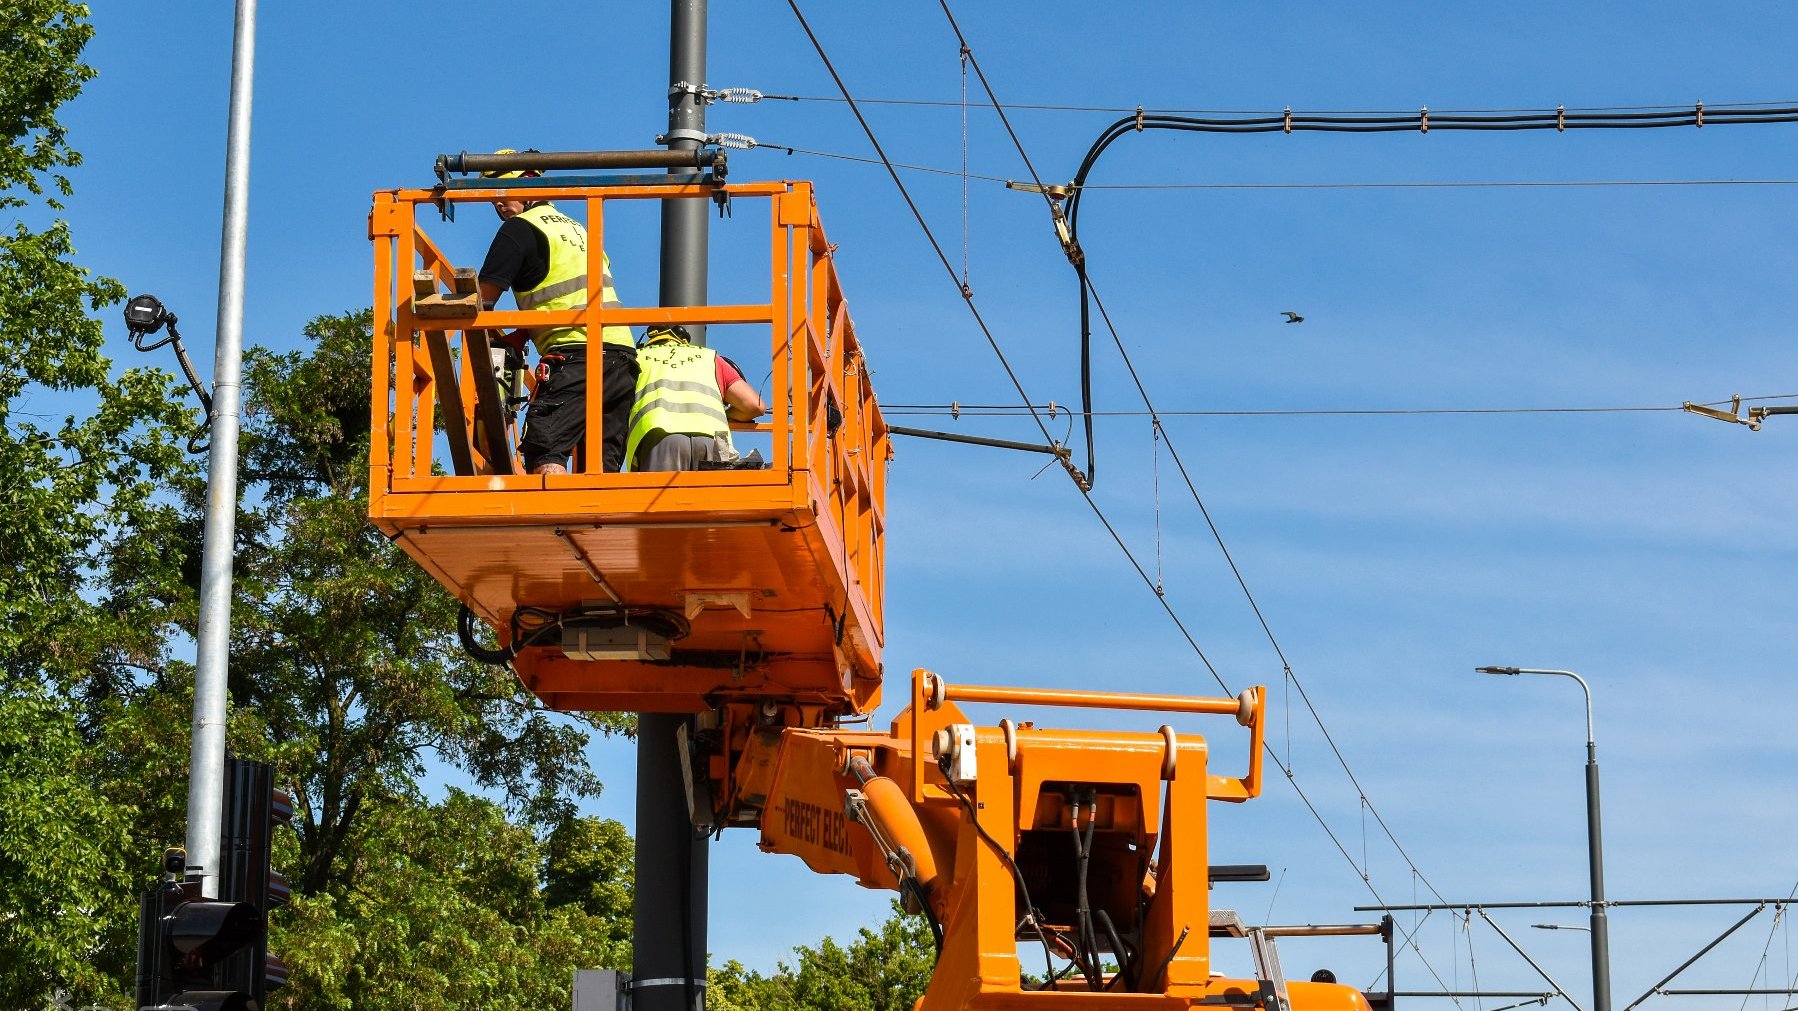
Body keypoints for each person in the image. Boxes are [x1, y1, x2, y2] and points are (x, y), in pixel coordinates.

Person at [475, 150, 638, 474]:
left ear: (530, 185)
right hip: (621, 359)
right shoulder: (579, 230)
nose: (497, 204)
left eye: (502, 194)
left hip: (577, 356)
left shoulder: (520, 228)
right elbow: (565, 296)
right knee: (599, 468)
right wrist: (522, 333)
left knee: (545, 448)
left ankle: (551, 522)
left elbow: (482, 301)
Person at [625, 324, 767, 472]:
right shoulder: (710, 358)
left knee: (663, 495)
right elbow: (754, 406)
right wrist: (725, 416)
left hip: (659, 438)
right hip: (714, 442)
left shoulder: (636, 358)